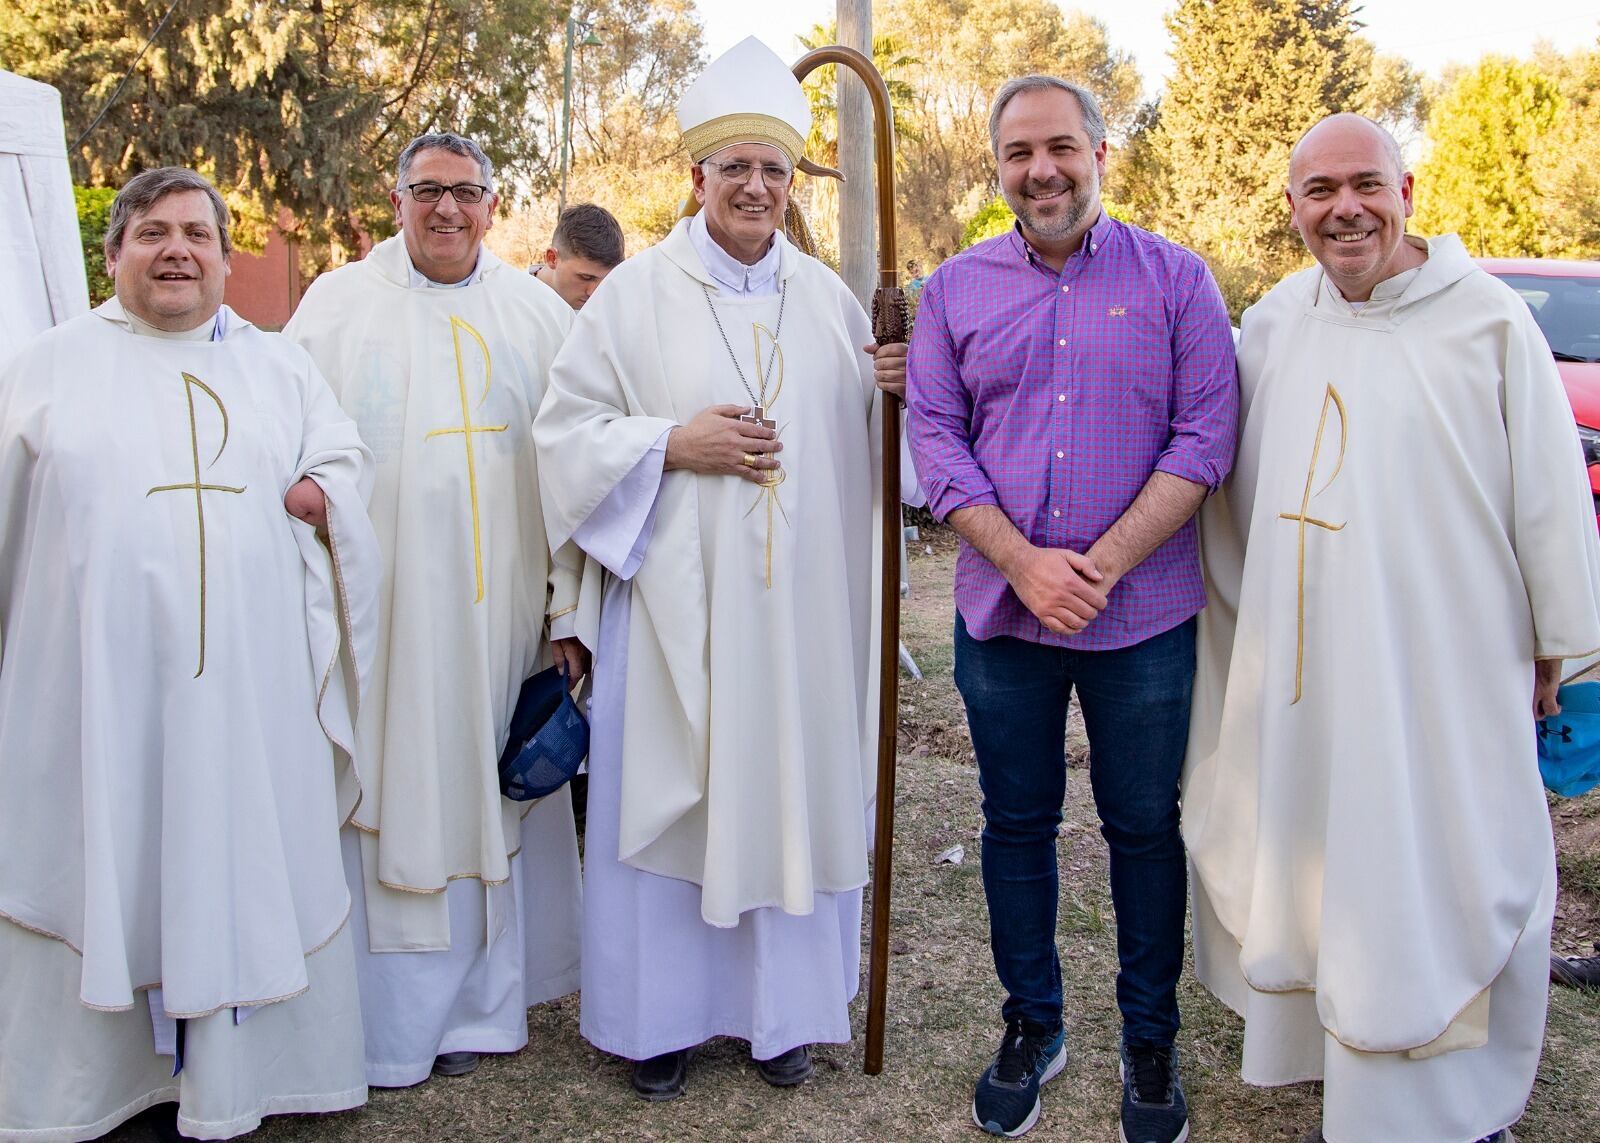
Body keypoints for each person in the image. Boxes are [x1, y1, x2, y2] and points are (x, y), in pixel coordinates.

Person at [1183, 113, 1600, 1143]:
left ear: (1406, 188)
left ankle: (1456, 1098)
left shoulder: (1488, 323)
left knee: (1446, 863)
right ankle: (1337, 1052)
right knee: (1331, 866)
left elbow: (1550, 500)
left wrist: (1560, 647)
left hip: (1445, 675)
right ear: (1291, 211)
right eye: (1318, 192)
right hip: (1311, 677)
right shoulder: (1275, 323)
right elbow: (1231, 495)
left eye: (1364, 183)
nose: (1344, 209)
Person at [532, 36, 914, 1102]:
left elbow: (880, 466)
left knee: (786, 791)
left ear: (793, 186)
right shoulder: (634, 295)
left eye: (773, 170)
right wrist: (669, 445)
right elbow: (563, 437)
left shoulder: (833, 303)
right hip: (673, 617)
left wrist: (893, 388)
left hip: (796, 624)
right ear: (695, 179)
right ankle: (656, 1024)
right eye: (734, 167)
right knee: (677, 790)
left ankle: (781, 1017)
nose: (754, 185)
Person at [0, 166, 380, 1141]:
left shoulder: (278, 366)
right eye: (153, 233)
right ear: (115, 252)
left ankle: (239, 1077)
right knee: (104, 853)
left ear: (221, 254)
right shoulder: (46, 364)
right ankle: (96, 1087)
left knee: (233, 855)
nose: (177, 251)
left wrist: (324, 497)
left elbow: (341, 458)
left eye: (197, 235)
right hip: (95, 696)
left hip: (245, 705)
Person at [906, 75, 1237, 1141]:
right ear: (996, 165)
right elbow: (938, 441)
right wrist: (1023, 565)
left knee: (1143, 829)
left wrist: (1088, 566)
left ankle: (1150, 1039)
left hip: (1142, 621)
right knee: (1016, 825)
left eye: (1059, 147)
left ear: (1101, 152)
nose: (1039, 170)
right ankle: (1030, 1024)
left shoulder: (1180, 281)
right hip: (1002, 624)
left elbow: (1204, 441)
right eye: (1017, 154)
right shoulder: (952, 291)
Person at [284, 132, 590, 1088]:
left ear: (494, 205)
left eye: (465, 192)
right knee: (394, 787)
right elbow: (289, 435)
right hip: (384, 617)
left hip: (502, 615)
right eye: (428, 191)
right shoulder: (335, 305)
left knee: (485, 782)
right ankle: (386, 1019)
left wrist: (568, 603)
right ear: (397, 196)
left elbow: (580, 466)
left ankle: (486, 1009)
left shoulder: (540, 316)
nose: (446, 209)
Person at [530, 202, 624, 311]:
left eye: (606, 281)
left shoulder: (612, 313)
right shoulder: (512, 304)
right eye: (586, 278)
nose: (594, 293)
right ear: (552, 258)